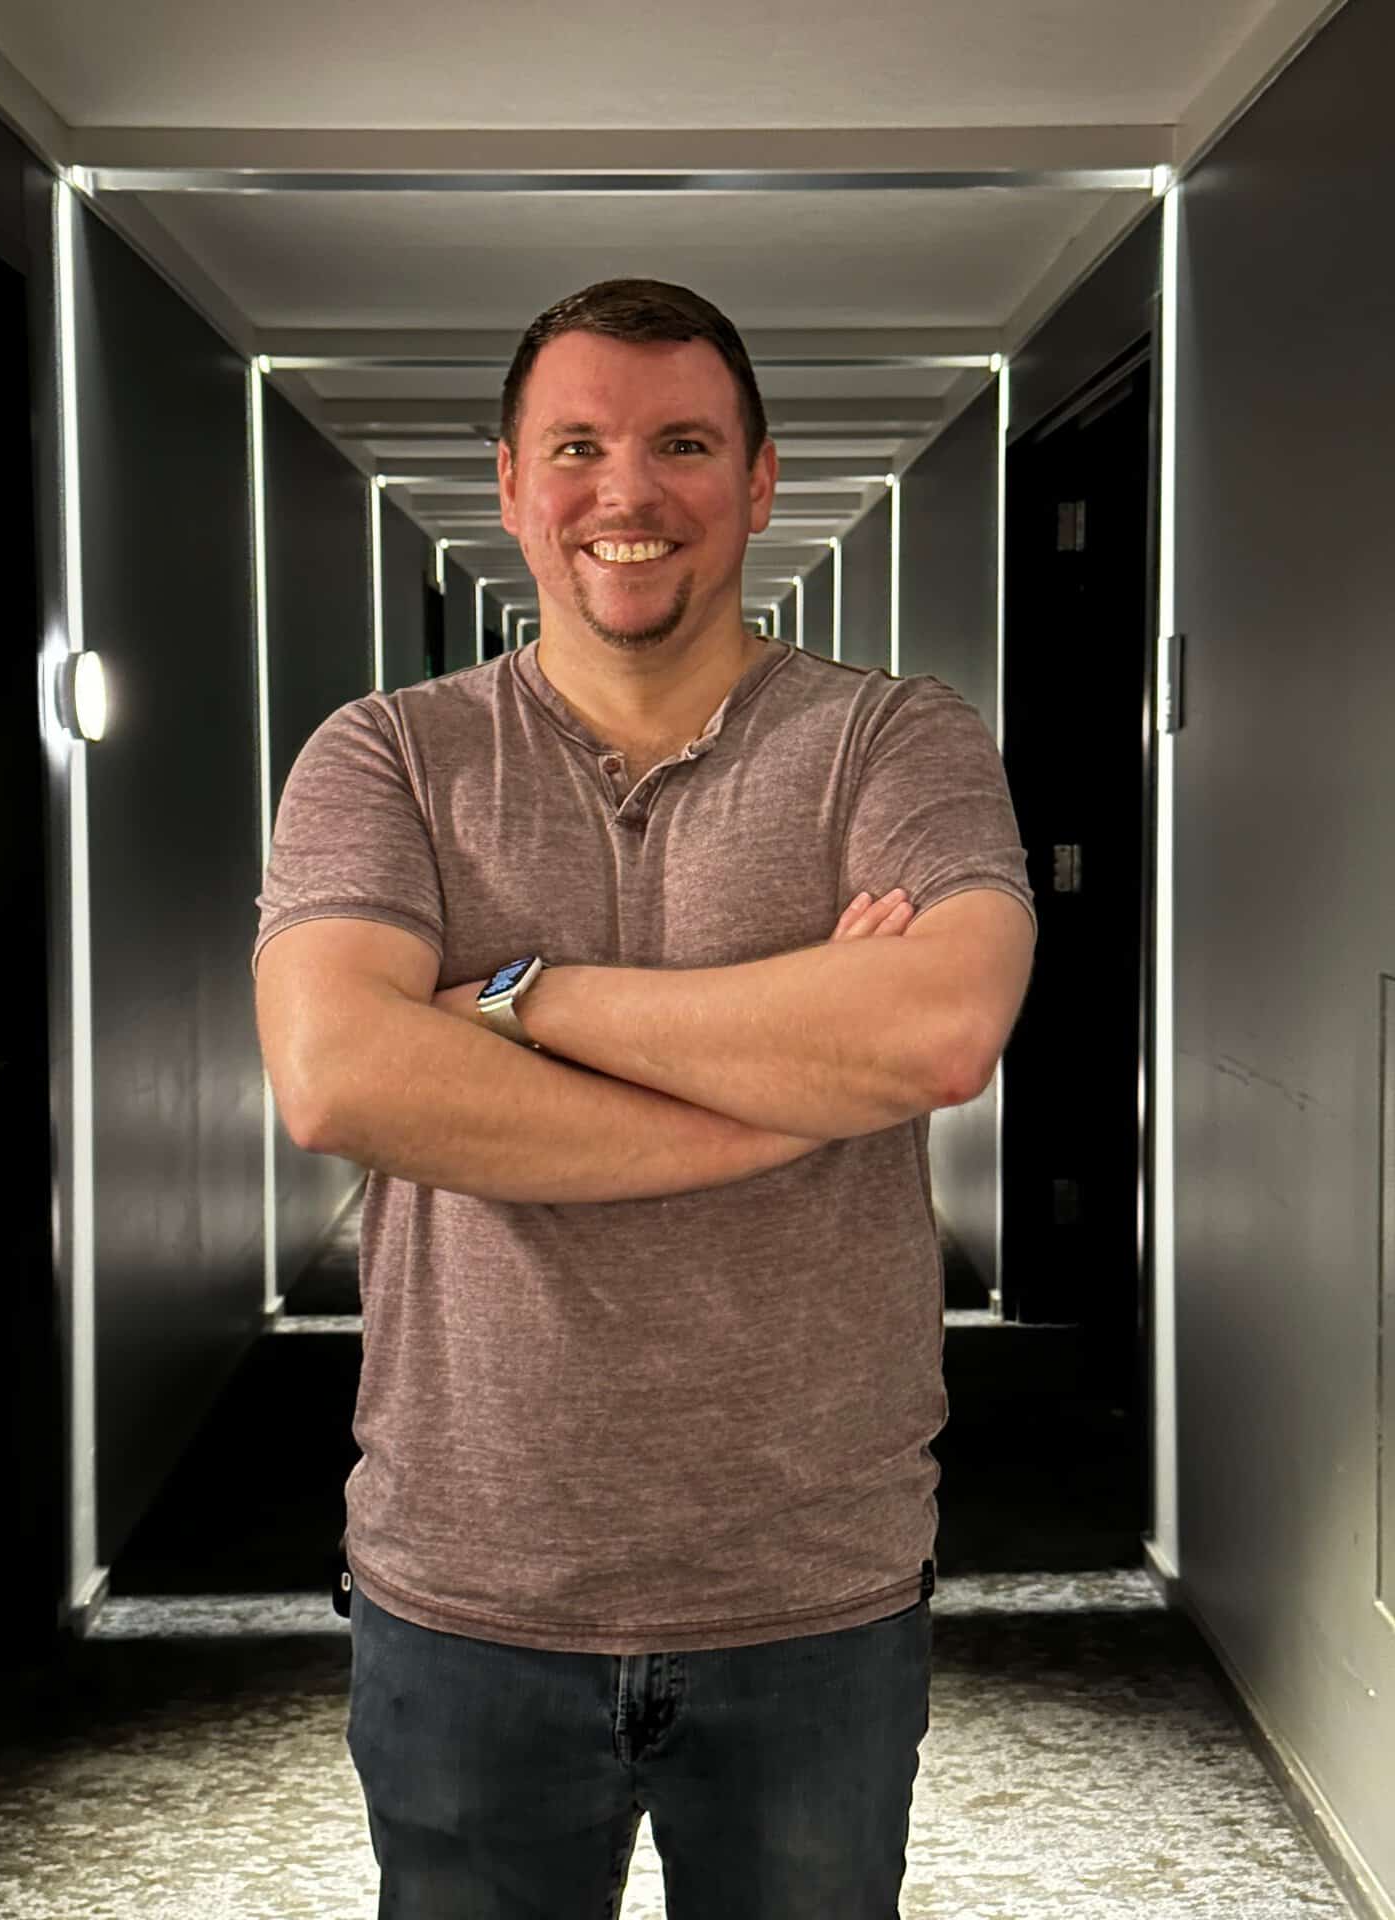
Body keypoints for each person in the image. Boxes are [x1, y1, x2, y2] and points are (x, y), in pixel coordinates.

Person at [252, 278, 1037, 1918]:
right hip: (469, 1587)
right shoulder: (386, 758)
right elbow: (340, 1076)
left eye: (683, 444)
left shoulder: (893, 742)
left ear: (758, 481)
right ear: (509, 484)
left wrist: (522, 1000)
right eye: (577, 448)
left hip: (812, 1585)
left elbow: (940, 1030)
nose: (628, 492)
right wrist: (798, 1088)